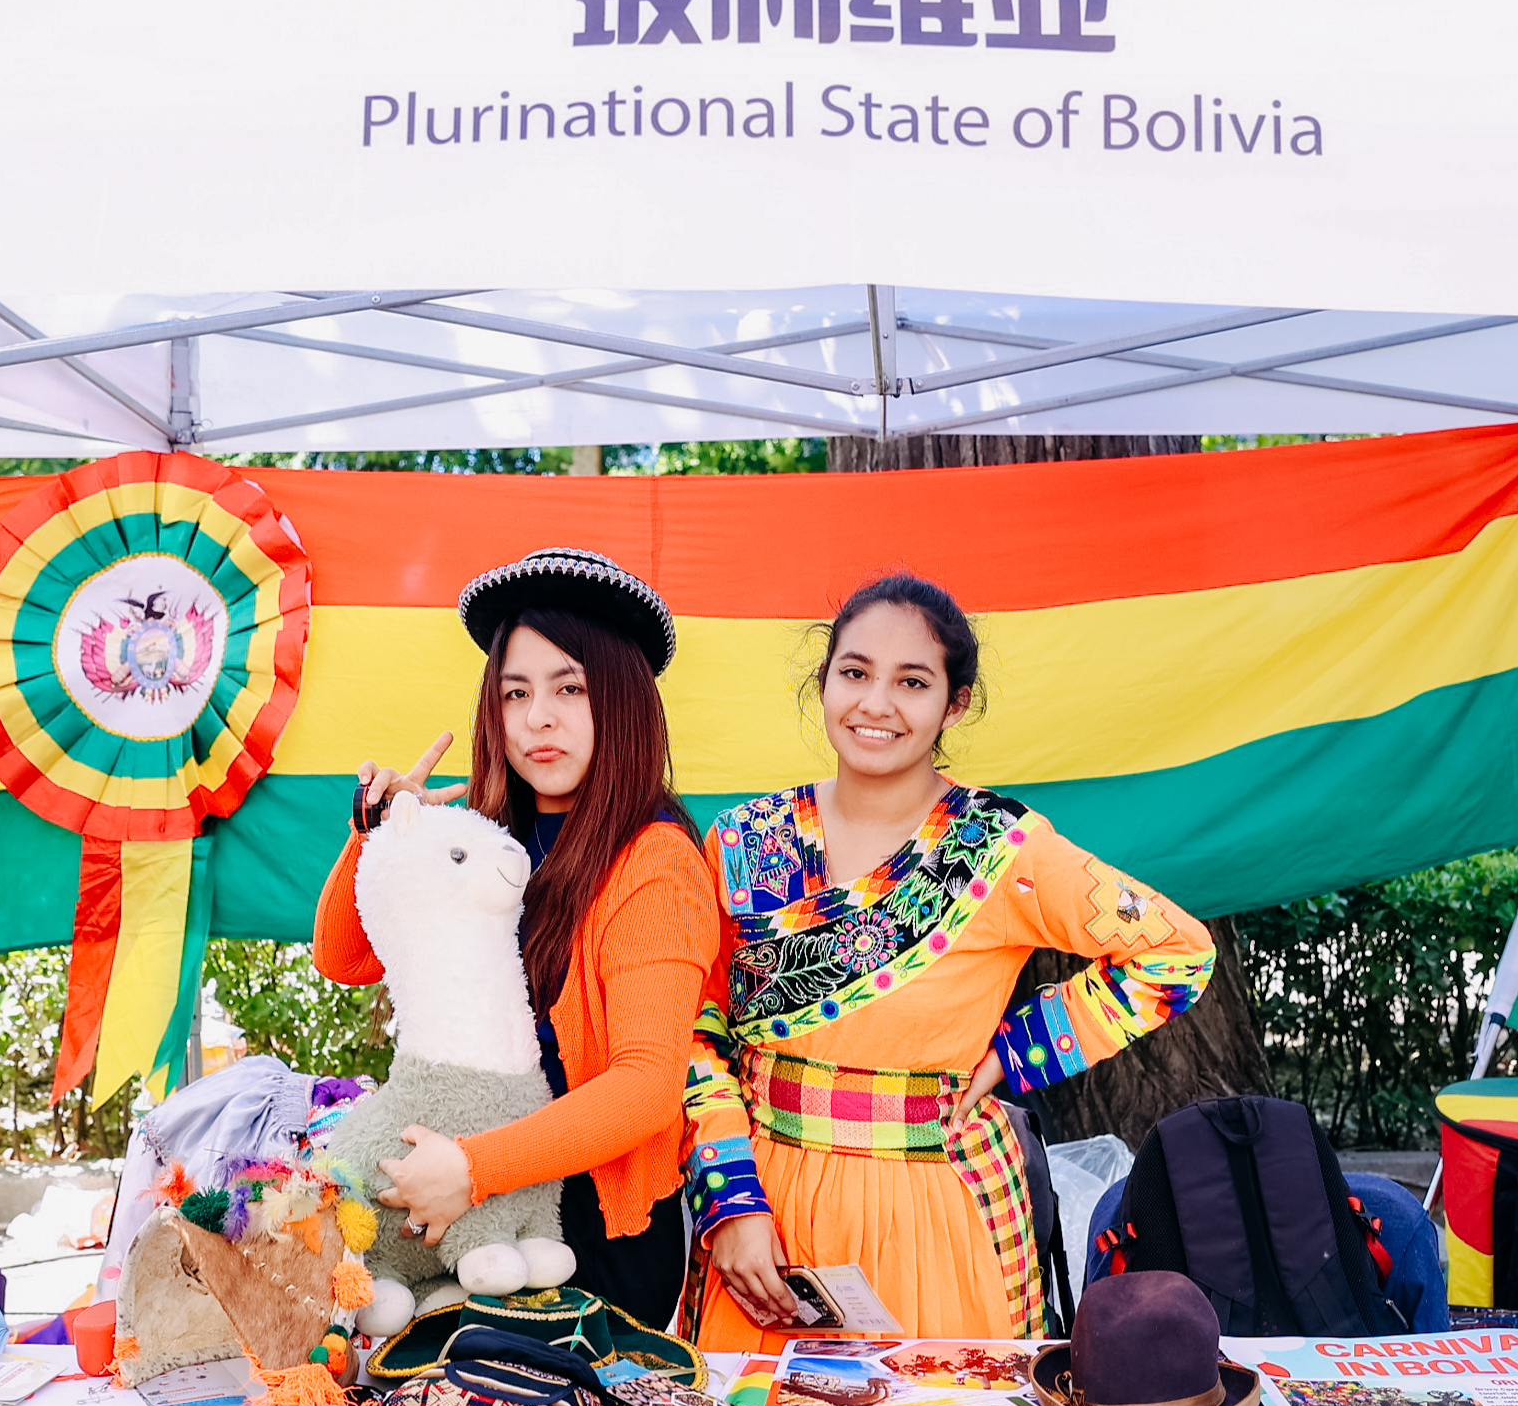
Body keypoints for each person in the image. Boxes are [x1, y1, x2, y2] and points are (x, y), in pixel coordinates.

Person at [685, 573, 1216, 1348]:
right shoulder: (742, 841)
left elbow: (1176, 949)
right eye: (855, 672)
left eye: (912, 682)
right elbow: (696, 1028)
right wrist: (731, 1199)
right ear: (824, 680)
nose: (875, 703)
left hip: (936, 1213)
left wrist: (1020, 1051)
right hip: (766, 1211)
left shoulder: (1001, 847)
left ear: (954, 704)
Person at [312, 548, 723, 1327]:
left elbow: (645, 1086)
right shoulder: (486, 833)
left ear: (624, 701)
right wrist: (375, 833)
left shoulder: (656, 860)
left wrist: (472, 1168)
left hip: (583, 1232)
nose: (538, 716)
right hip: (460, 1215)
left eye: (571, 688)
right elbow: (345, 957)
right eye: (516, 691)